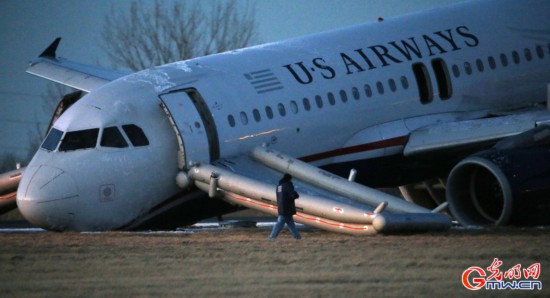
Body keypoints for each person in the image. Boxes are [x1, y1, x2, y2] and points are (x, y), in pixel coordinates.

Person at [269, 173, 301, 240]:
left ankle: (297, 237)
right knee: (279, 223)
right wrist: (296, 194)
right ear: (289, 179)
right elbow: (292, 195)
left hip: (281, 206)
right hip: (287, 207)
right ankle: (272, 237)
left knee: (291, 224)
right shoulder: (288, 185)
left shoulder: (279, 186)